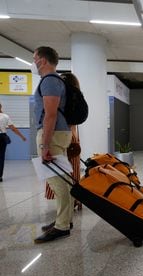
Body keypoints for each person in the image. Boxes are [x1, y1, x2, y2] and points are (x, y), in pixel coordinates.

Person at [32, 46, 74, 243]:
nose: (34, 62)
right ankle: (64, 219)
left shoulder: (49, 81)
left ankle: (62, 226)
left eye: (35, 58)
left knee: (58, 182)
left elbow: (50, 114)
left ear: (43, 60)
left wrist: (45, 145)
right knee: (64, 180)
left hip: (53, 135)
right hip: (59, 133)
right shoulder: (52, 81)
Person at [45, 72, 82, 211]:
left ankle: (67, 209)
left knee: (59, 173)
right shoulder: (76, 95)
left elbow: (53, 117)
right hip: (72, 136)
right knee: (72, 170)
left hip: (61, 136)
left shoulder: (61, 97)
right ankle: (76, 200)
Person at [0, 102, 27, 182]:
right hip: (2, 137)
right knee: (1, 157)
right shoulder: (5, 116)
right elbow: (13, 128)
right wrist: (22, 136)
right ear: (1, 107)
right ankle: (0, 176)